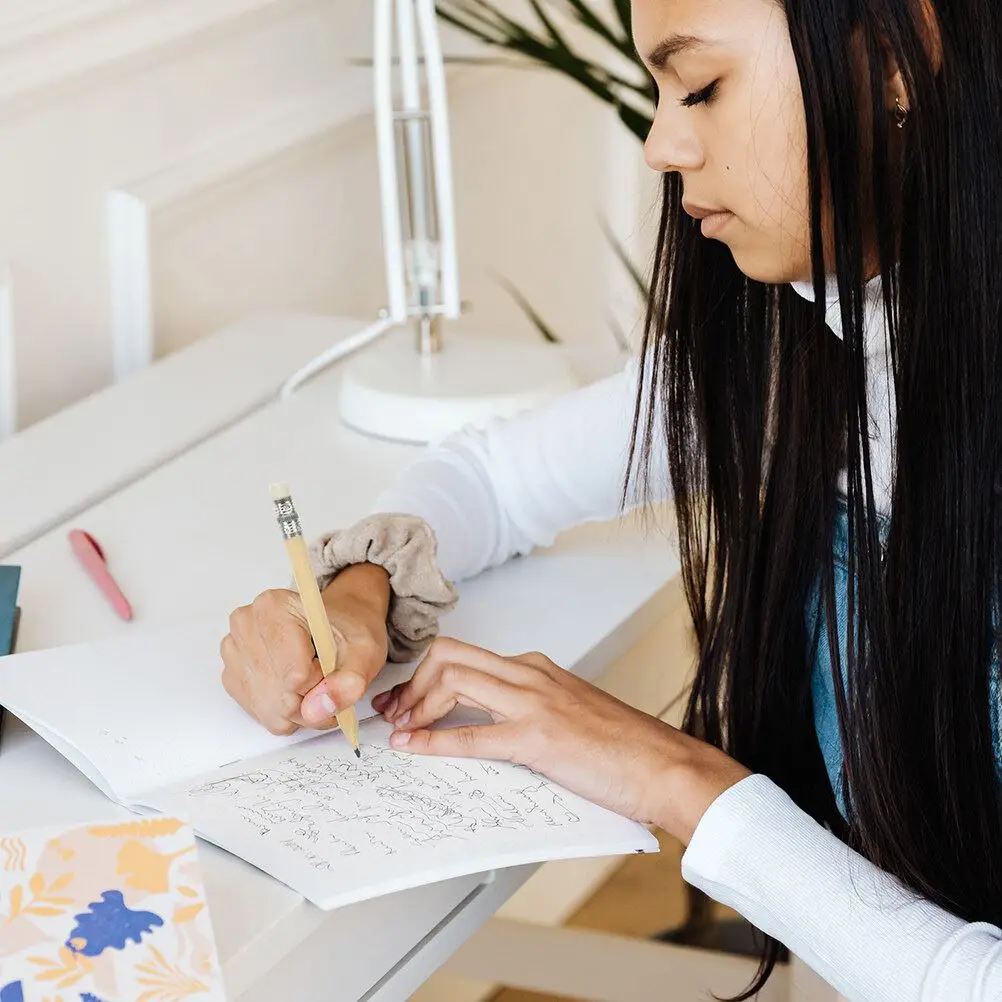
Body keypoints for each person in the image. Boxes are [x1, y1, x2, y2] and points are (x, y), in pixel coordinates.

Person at [219, 0, 1002, 997]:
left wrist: (673, 779)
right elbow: (494, 478)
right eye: (657, 92)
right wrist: (357, 594)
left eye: (703, 86)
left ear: (900, 59)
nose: (661, 144)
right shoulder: (807, 340)